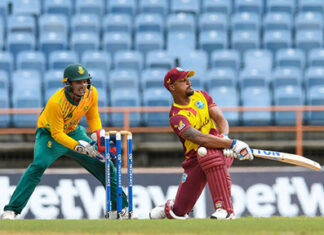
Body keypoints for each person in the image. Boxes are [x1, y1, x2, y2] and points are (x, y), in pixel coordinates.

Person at [1, 64, 129, 219]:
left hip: (74, 131)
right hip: (50, 136)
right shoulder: (57, 102)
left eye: (85, 81)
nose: (83, 86)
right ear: (69, 84)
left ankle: (121, 209)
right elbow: (57, 134)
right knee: (38, 166)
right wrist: (80, 147)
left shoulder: (91, 93)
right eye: (78, 82)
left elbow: (93, 116)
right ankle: (11, 210)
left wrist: (98, 134)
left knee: (105, 165)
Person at [149, 67, 254, 220]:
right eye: (183, 80)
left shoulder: (202, 96)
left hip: (217, 150)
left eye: (188, 79)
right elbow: (197, 137)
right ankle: (168, 208)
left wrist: (225, 138)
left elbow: (220, 119)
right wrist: (231, 144)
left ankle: (224, 210)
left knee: (208, 153)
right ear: (172, 87)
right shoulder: (176, 117)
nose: (188, 82)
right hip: (194, 160)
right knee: (179, 212)